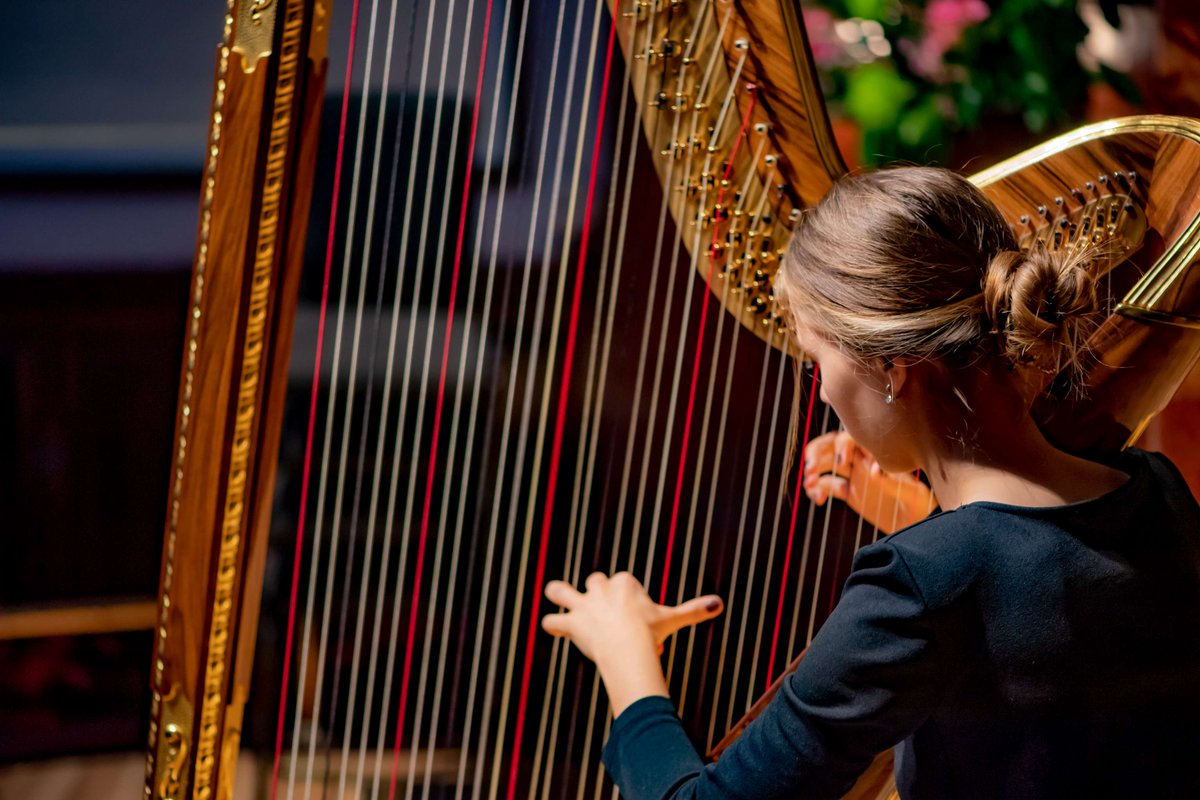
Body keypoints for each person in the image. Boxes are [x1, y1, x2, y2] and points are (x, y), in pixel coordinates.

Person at [540, 166, 1200, 799]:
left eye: (814, 359)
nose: (821, 390)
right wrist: (918, 515)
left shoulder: (918, 584)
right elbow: (1030, 599)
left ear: (889, 366)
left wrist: (625, 652)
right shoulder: (1155, 491)